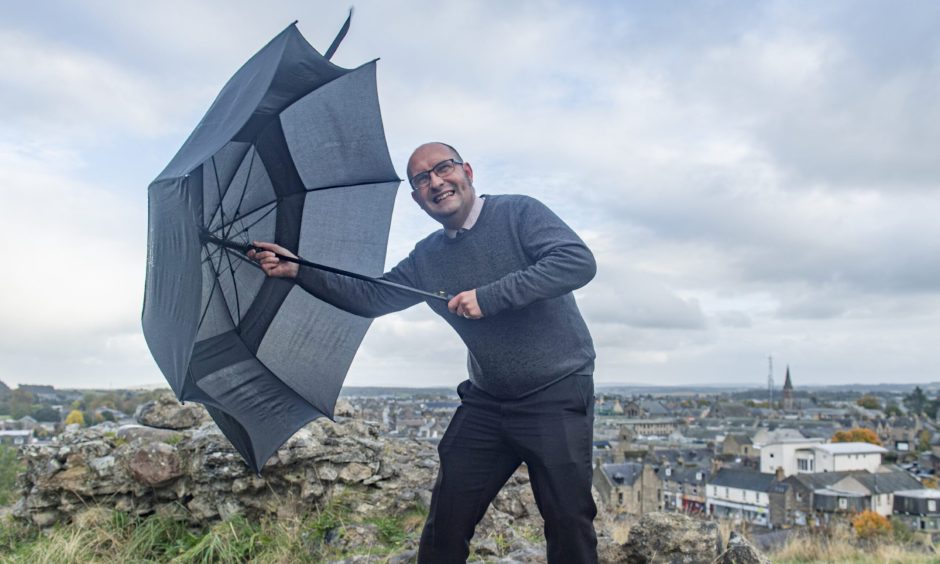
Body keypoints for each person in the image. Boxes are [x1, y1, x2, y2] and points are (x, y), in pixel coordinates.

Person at [250, 142, 598, 563]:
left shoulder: (519, 213)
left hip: (555, 393)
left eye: (443, 168)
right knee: (444, 525)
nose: (435, 181)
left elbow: (576, 261)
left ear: (467, 171)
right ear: (417, 199)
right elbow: (372, 295)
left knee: (567, 523)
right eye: (422, 179)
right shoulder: (427, 257)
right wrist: (298, 269)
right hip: (488, 401)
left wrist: (491, 297)